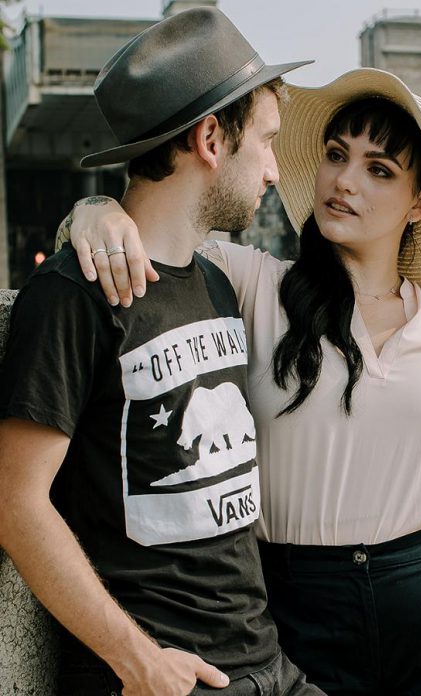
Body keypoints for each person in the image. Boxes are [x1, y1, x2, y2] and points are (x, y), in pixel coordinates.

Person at [59, 69, 421, 695]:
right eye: (337, 156)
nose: (345, 180)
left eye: (379, 169)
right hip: (298, 607)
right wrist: (94, 210)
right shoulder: (249, 282)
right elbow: (156, 229)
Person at [0, 8, 324, 696]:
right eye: (266, 141)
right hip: (166, 679)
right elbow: (13, 501)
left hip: (270, 666)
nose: (274, 168)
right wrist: (140, 659)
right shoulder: (72, 294)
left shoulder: (215, 281)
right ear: (211, 137)